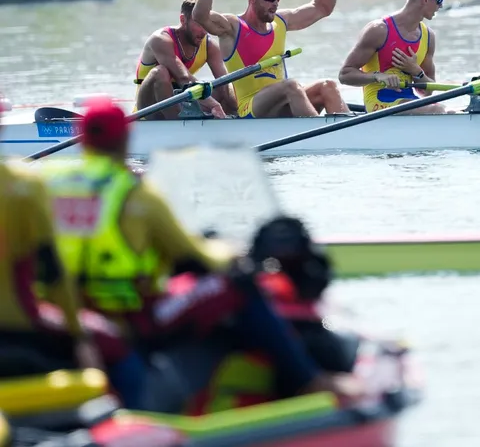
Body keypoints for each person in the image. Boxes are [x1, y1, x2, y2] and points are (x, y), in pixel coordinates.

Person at [40, 96, 359, 406]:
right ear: (125, 138)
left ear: (82, 141)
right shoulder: (135, 193)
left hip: (73, 311)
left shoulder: (55, 185)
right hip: (132, 315)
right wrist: (230, 253)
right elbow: (195, 253)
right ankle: (306, 380)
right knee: (236, 282)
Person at [0, 103, 147, 407]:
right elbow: (51, 269)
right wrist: (78, 334)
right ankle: (137, 417)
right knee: (118, 349)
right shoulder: (22, 186)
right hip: (18, 323)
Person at [192, 0, 351, 118]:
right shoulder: (232, 27)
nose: (275, 3)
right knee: (291, 86)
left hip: (284, 99)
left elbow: (322, 7)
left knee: (328, 86)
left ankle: (350, 133)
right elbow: (200, 16)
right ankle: (321, 134)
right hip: (251, 108)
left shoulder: (281, 21)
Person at [338, 0, 450, 113]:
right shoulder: (379, 30)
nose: (441, 6)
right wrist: (378, 76)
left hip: (409, 102)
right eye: (439, 1)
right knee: (439, 110)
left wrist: (416, 71)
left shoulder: (428, 37)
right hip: (379, 105)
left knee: (452, 112)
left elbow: (428, 92)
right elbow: (345, 75)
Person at [134, 0, 236, 120]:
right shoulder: (160, 40)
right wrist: (212, 104)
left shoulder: (209, 46)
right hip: (149, 107)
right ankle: (177, 125)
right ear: (183, 20)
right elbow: (183, 77)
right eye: (199, 24)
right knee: (160, 72)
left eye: (206, 24)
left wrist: (238, 107)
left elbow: (223, 83)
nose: (204, 31)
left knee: (225, 88)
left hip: (181, 100)